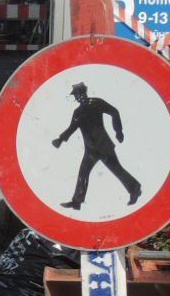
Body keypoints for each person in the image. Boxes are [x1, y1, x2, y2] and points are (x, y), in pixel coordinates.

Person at [52, 82, 142, 210]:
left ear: (84, 92)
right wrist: (60, 139)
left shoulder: (94, 104)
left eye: (79, 93)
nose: (79, 97)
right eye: (77, 95)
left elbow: (114, 112)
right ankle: (77, 202)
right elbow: (72, 128)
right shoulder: (79, 111)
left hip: (103, 147)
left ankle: (135, 189)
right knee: (84, 173)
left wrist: (118, 131)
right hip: (92, 149)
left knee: (116, 170)